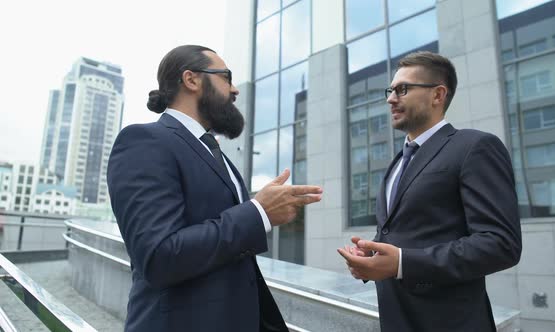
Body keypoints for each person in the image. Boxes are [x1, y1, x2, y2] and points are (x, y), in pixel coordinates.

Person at [107, 45, 323, 332]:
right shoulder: (144, 141)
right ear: (192, 80)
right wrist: (259, 212)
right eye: (226, 77)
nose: (235, 90)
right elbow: (159, 256)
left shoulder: (215, 153)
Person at [337, 51, 521, 331]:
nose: (390, 98)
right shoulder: (397, 163)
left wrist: (402, 263)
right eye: (390, 90)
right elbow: (404, 233)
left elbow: (500, 244)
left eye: (403, 89)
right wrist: (371, 259)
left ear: (438, 95)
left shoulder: (475, 147)